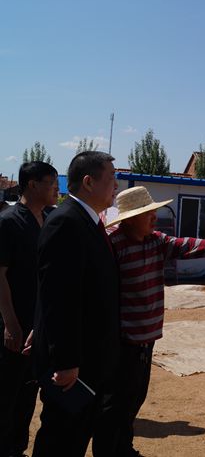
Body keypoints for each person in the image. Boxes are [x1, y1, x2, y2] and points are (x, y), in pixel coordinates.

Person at [99, 186, 205, 457]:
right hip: (123, 341)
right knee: (116, 403)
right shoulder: (113, 245)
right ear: (130, 219)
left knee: (134, 399)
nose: (154, 217)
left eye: (153, 212)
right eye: (148, 213)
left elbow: (185, 245)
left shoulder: (156, 241)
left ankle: (124, 448)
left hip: (146, 340)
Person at [32, 151, 120, 457]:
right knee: (61, 441)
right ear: (88, 182)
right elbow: (58, 296)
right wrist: (66, 361)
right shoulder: (66, 222)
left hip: (89, 360)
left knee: (75, 437)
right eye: (112, 177)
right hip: (73, 368)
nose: (116, 185)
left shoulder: (88, 221)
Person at [0, 161, 58, 457]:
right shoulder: (9, 222)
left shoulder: (49, 218)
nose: (56, 189)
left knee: (29, 391)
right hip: (16, 324)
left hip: (40, 325)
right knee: (6, 393)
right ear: (33, 185)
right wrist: (10, 323)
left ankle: (17, 447)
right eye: (52, 183)